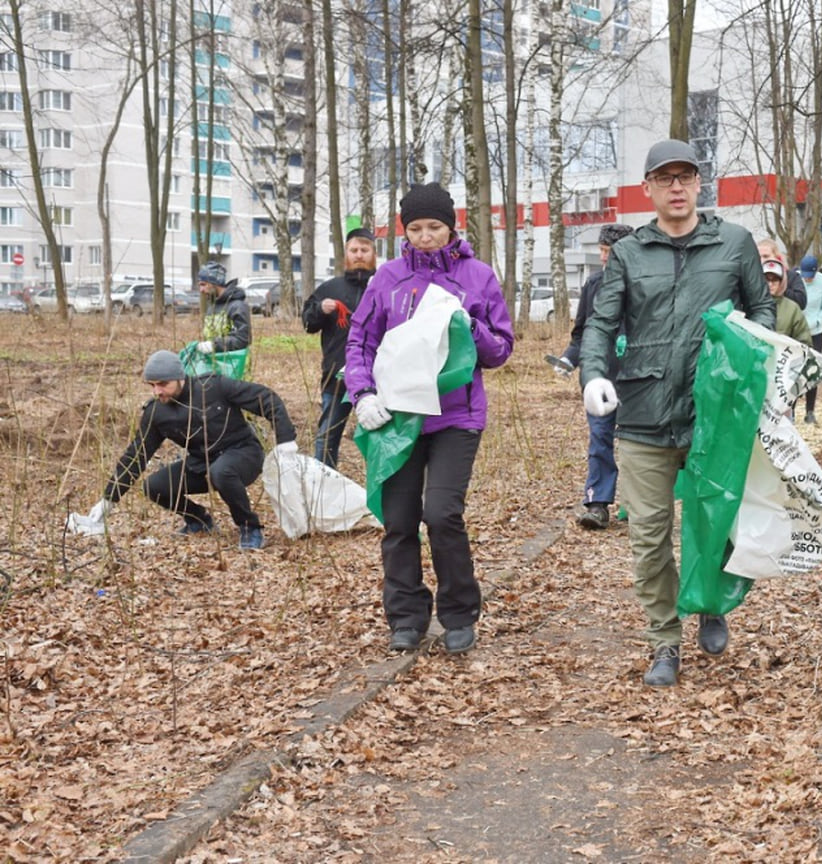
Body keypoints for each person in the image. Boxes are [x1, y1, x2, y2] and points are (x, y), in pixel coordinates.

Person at [579, 138, 775, 687]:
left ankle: (711, 603)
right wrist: (594, 373)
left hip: (716, 410)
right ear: (648, 189)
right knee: (648, 533)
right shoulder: (628, 254)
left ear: (699, 184)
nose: (677, 187)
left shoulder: (734, 244)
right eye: (665, 178)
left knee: (713, 519)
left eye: (686, 176)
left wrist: (750, 354)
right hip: (643, 411)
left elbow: (762, 308)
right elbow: (601, 323)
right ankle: (664, 640)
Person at [345, 182, 514, 655]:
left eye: (434, 227)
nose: (425, 236)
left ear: (451, 226)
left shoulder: (476, 277)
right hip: (398, 416)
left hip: (456, 417)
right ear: (404, 231)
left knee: (441, 514)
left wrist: (469, 325)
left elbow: (501, 348)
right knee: (399, 520)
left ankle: (459, 612)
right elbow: (360, 341)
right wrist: (362, 394)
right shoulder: (387, 279)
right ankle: (405, 616)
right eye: (415, 228)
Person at [78, 349, 297, 550]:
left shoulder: (214, 387)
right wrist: (109, 499)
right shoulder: (157, 413)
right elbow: (137, 455)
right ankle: (199, 520)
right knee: (154, 486)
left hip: (243, 454)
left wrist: (286, 440)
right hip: (201, 463)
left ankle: (250, 527)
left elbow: (267, 399)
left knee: (221, 471)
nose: (157, 391)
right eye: (151, 385)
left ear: (180, 377)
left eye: (163, 384)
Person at [555, 222, 635, 530]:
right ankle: (598, 504)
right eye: (601, 251)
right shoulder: (593, 285)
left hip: (639, 380)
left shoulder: (647, 285)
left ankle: (636, 502)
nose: (603, 258)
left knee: (635, 444)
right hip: (599, 379)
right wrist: (568, 359)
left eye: (609, 252)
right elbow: (581, 335)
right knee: (600, 438)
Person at [301, 227, 378, 468]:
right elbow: (307, 324)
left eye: (364, 250)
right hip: (336, 378)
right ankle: (323, 487)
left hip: (378, 379)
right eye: (354, 250)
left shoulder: (383, 286)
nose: (359, 255)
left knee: (379, 440)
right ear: (346, 254)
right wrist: (318, 310)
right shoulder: (330, 289)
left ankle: (384, 495)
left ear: (373, 253)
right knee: (326, 439)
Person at [798, 254, 822, 424]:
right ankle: (789, 411)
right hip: (797, 330)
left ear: (816, 271)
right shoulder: (795, 279)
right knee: (793, 370)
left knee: (811, 371)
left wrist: (819, 319)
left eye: (810, 276)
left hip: (815, 332)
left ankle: (810, 411)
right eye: (804, 275)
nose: (807, 279)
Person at [195, 261, 251, 358]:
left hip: (235, 367)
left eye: (203, 284)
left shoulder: (237, 307)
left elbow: (243, 339)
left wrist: (214, 345)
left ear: (214, 283)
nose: (201, 290)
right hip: (214, 365)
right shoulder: (211, 308)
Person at [763, 258, 811, 345]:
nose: (770, 284)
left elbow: (804, 341)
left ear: (782, 282)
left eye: (775, 280)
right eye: (766, 279)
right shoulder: (750, 304)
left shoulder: (792, 309)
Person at [755, 238, 807, 310]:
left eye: (766, 256)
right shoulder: (752, 277)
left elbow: (801, 302)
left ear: (777, 257)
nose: (762, 260)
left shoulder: (791, 276)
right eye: (758, 257)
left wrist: (781, 286)